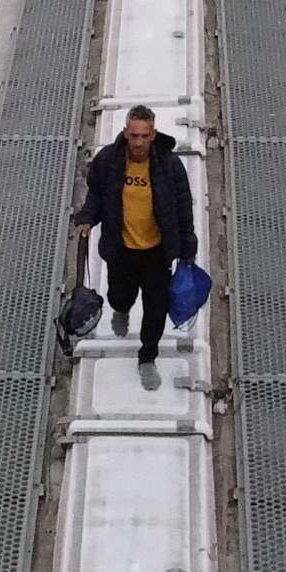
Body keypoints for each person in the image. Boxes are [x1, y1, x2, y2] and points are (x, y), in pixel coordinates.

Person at [70, 105, 198, 390]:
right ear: (126, 133)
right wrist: (87, 219)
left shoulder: (169, 165)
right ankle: (121, 309)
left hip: (157, 254)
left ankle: (147, 357)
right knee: (119, 296)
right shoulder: (109, 161)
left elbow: (182, 208)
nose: (138, 142)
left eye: (144, 135)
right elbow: (97, 196)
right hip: (122, 250)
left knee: (156, 308)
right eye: (134, 135)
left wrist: (188, 248)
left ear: (153, 135)